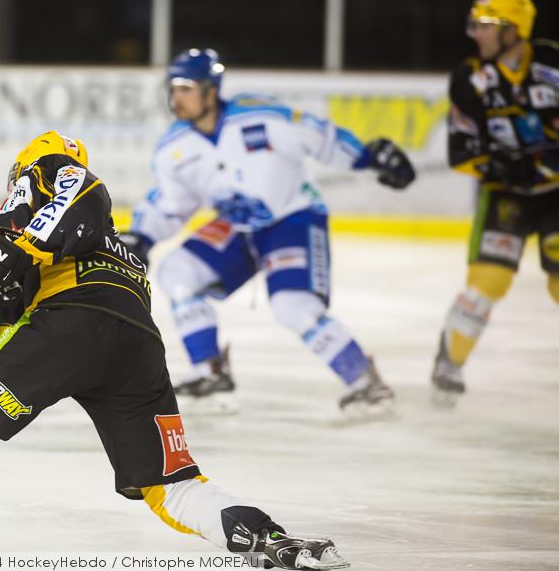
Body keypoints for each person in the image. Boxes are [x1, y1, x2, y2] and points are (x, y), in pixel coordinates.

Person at [0, 132, 350, 569]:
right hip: (137, 348)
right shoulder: (94, 245)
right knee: (170, 485)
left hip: (71, 321)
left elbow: (77, 193)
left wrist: (4, 250)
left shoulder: (51, 175)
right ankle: (267, 538)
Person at [120, 49, 416, 414]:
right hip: (237, 226)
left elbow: (319, 136)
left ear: (211, 90)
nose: (176, 97)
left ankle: (365, 382)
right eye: (173, 88)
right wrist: (142, 237)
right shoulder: (173, 148)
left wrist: (366, 156)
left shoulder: (260, 115)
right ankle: (210, 371)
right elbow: (171, 203)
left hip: (292, 218)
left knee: (293, 305)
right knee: (178, 272)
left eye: (186, 88)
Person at [431, 0, 559, 404]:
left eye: (488, 26)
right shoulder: (469, 79)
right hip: (506, 195)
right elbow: (462, 152)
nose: (478, 35)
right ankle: (449, 362)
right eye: (478, 25)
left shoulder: (553, 64)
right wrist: (501, 167)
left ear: (514, 30)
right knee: (488, 282)